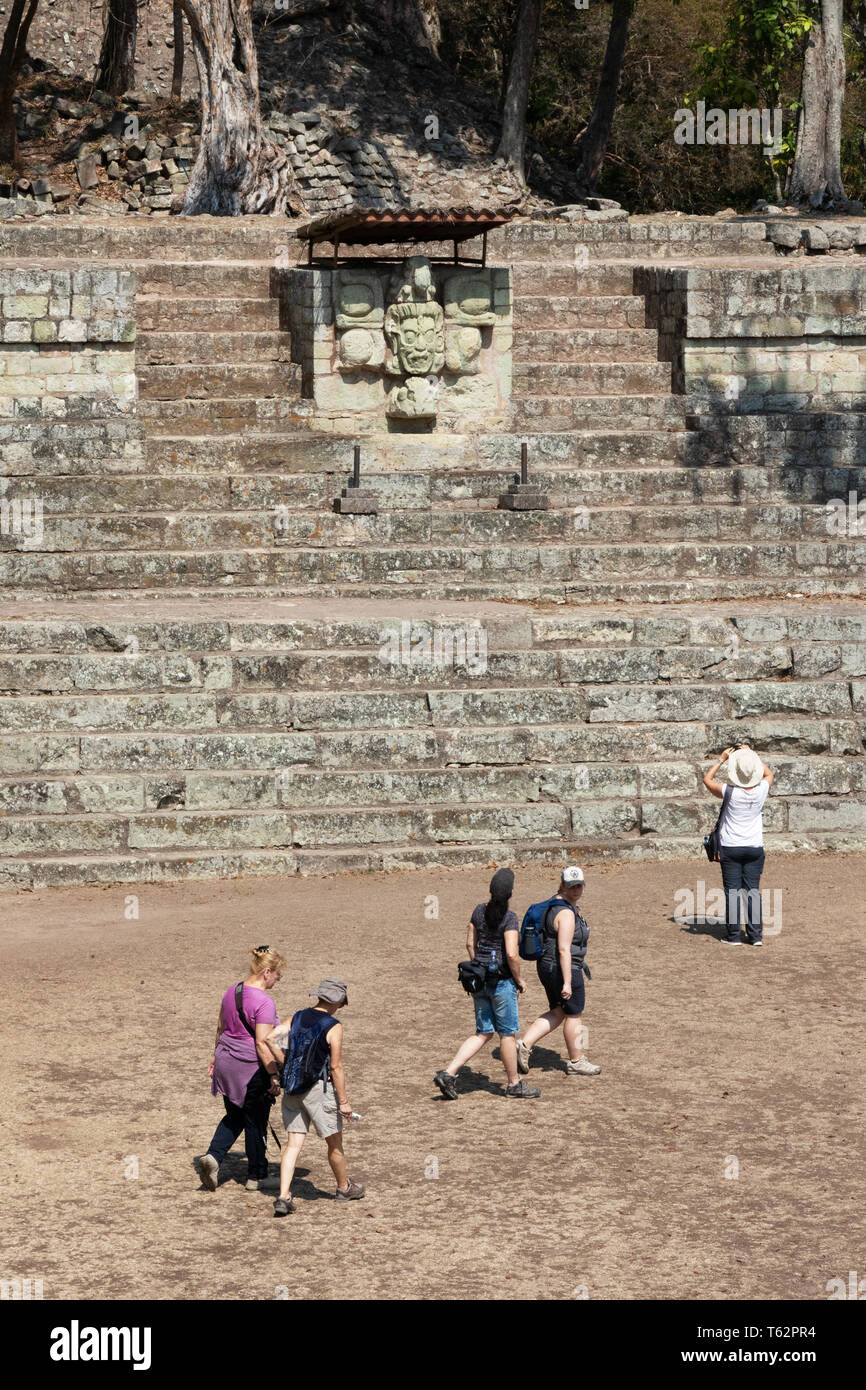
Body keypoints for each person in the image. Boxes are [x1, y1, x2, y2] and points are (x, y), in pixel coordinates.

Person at [433, 868, 540, 1101]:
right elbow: (512, 954)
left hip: (478, 981)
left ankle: (448, 1073)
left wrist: (477, 965)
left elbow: (470, 944)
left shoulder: (478, 911)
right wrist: (520, 980)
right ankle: (514, 1084)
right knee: (507, 1035)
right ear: (510, 893)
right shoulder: (509, 918)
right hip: (501, 983)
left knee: (483, 1033)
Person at [265, 978, 365, 1215]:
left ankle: (283, 1196)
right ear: (339, 1002)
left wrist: (285, 1063)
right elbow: (336, 1067)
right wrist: (344, 1101)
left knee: (293, 1144)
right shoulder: (333, 1026)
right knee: (334, 1143)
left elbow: (269, 1038)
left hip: (292, 1088)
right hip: (319, 1091)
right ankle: (343, 1188)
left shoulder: (298, 1016)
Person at [194, 945, 285, 1193]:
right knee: (256, 1120)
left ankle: (213, 1157)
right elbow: (262, 1041)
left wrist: (215, 1056)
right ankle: (257, 1176)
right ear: (267, 972)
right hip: (250, 1067)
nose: (278, 981)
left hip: (226, 1060)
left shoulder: (232, 991)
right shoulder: (264, 1002)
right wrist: (274, 1074)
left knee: (235, 1115)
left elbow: (219, 1028)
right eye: (278, 976)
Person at [516, 866, 601, 1077]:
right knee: (574, 1014)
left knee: (558, 1011)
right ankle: (576, 1061)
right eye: (571, 886)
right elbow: (564, 949)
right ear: (562, 884)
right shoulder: (566, 913)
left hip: (546, 966)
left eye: (579, 885)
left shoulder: (553, 905)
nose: (576, 890)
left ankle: (524, 1045)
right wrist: (568, 982)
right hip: (564, 968)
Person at [703, 743, 774, 946]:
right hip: (754, 847)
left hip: (731, 847)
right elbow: (768, 774)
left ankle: (733, 935)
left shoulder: (728, 791)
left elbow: (707, 780)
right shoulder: (762, 789)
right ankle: (755, 936)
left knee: (732, 892)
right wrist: (751, 756)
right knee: (752, 890)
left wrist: (722, 759)